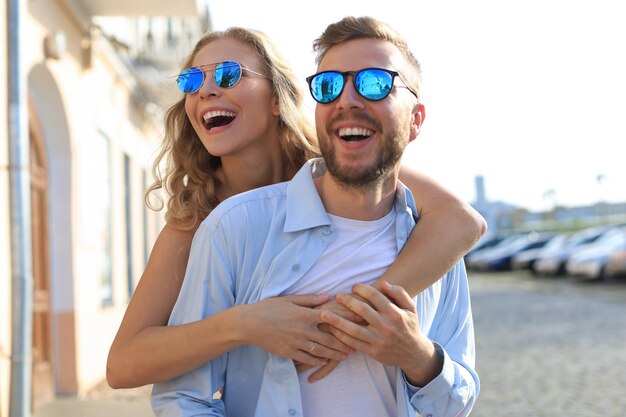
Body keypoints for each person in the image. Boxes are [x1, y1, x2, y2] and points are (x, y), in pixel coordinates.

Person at [106, 25, 486, 389]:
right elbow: (123, 364)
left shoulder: (337, 167)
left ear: (276, 98)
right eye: (191, 80)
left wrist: (349, 319)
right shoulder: (199, 214)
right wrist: (244, 324)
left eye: (226, 75)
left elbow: (462, 222)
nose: (204, 91)